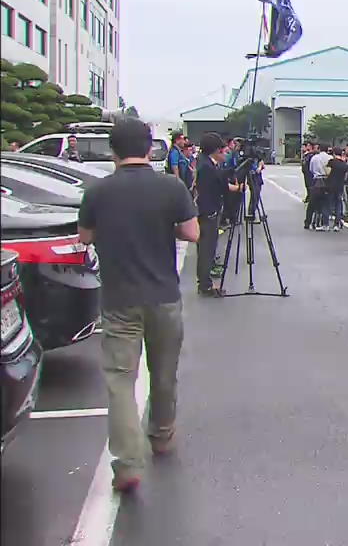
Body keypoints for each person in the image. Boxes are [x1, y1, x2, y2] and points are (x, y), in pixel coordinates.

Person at [76, 118, 200, 492]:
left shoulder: (99, 191)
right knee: (163, 373)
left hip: (118, 300)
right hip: (163, 296)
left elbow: (85, 237)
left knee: (120, 382)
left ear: (112, 151)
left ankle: (128, 464)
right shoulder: (170, 186)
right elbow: (192, 231)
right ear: (149, 148)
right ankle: (161, 435)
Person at [194, 132, 241, 296]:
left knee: (207, 249)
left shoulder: (205, 163)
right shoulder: (207, 167)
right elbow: (216, 187)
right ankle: (205, 285)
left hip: (207, 211)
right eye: (222, 150)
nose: (225, 153)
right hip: (208, 212)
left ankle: (205, 282)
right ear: (215, 150)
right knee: (207, 249)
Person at [325, 147, 348, 231]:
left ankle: (326, 224)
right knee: (338, 204)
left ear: (334, 153)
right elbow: (346, 177)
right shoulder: (344, 165)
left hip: (330, 186)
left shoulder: (331, 162)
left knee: (328, 204)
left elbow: (327, 172)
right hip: (340, 186)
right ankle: (336, 224)